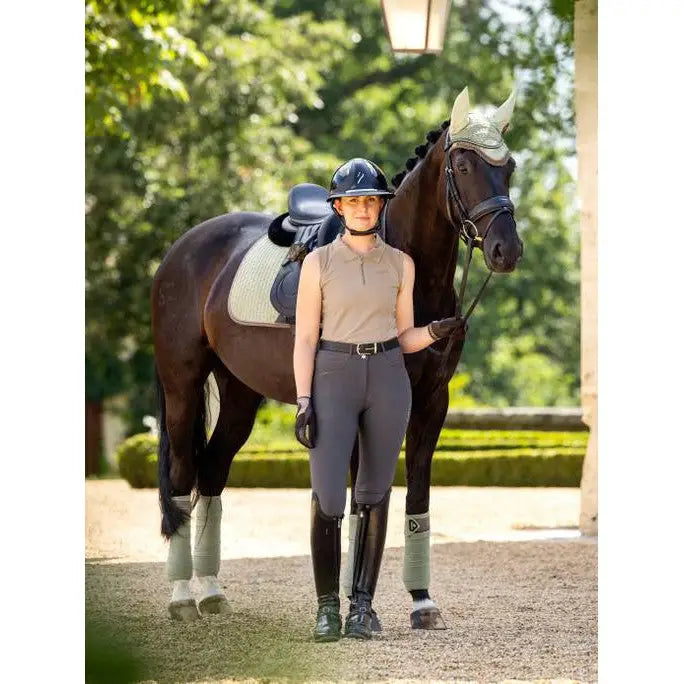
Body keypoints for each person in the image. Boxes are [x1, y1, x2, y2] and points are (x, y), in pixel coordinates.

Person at [292, 158, 467, 642]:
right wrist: (304, 399)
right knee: (329, 496)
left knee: (373, 494)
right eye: (354, 201)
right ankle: (327, 607)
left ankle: (362, 608)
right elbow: (305, 338)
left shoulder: (401, 265)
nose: (363, 208)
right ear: (339, 206)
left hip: (389, 377)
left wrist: (435, 332)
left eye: (371, 200)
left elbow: (404, 334)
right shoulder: (318, 263)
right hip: (333, 374)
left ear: (380, 206)